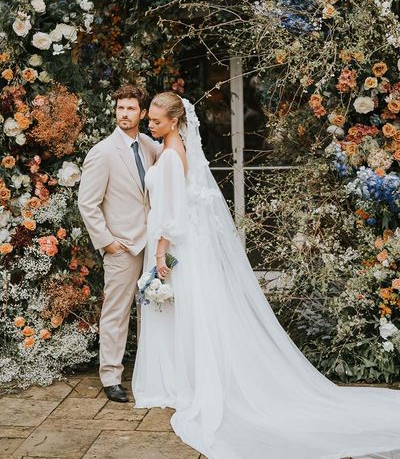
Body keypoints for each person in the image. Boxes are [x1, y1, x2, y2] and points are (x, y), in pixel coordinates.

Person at [132, 91, 400, 459]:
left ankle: (187, 383)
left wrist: (161, 251)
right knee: (184, 311)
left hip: (173, 245)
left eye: (156, 121)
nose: (151, 124)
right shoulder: (172, 151)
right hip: (178, 244)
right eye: (149, 119)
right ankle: (179, 380)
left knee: (187, 311)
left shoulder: (175, 157)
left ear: (175, 121)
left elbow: (173, 211)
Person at [78, 83, 161, 403]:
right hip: (122, 247)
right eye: (120, 109)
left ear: (142, 113)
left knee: (154, 310)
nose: (124, 114)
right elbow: (88, 203)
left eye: (130, 109)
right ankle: (111, 376)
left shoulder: (150, 146)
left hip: (151, 243)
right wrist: (107, 242)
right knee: (116, 312)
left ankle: (149, 372)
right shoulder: (102, 152)